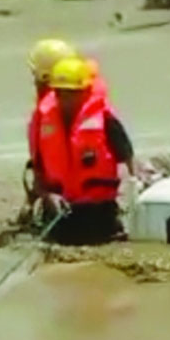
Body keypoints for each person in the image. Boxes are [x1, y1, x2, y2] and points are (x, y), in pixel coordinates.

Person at [30, 57, 135, 245]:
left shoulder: (105, 120)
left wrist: (137, 194)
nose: (65, 99)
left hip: (99, 212)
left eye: (71, 93)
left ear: (86, 91)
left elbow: (130, 160)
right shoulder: (44, 124)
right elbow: (38, 176)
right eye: (60, 93)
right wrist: (48, 196)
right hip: (59, 212)